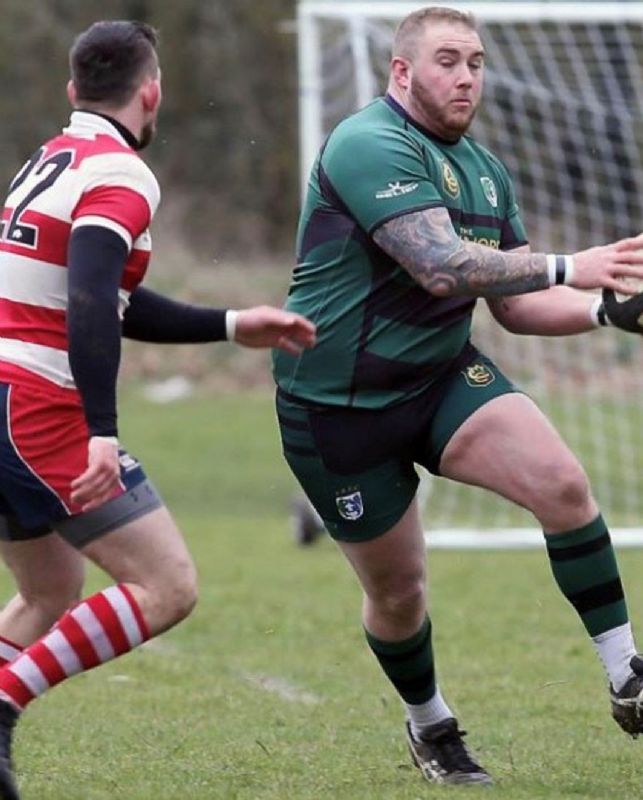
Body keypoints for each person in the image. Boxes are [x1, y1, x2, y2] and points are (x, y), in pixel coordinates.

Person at [273, 5, 643, 788]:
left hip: (440, 378)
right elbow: (441, 266)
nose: (466, 75)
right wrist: (567, 266)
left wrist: (601, 310)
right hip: (337, 407)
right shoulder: (369, 141)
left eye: (474, 61)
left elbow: (512, 305)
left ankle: (627, 676)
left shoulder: (485, 169)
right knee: (400, 593)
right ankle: (429, 724)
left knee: (563, 486)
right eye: (447, 60)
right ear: (401, 71)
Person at [0, 20, 315, 800]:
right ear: (153, 91)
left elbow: (107, 299)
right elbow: (85, 305)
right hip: (39, 407)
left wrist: (232, 324)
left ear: (74, 91)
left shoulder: (49, 158)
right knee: (167, 585)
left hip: (4, 396)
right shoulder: (122, 174)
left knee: (47, 595)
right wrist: (102, 433)